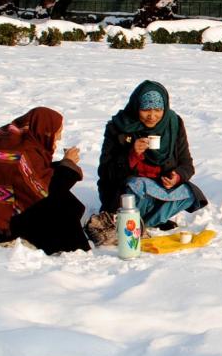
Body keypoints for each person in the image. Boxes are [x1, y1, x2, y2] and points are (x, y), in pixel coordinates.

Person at [0, 107, 89, 255]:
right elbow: (48, 190)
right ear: (44, 131)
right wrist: (68, 164)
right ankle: (74, 251)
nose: (57, 140)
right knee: (60, 207)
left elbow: (34, 175)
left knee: (70, 203)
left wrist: (64, 164)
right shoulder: (24, 150)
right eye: (56, 135)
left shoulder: (11, 139)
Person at [86, 80, 207, 246]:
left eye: (158, 110)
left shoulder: (173, 124)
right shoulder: (119, 126)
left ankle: (148, 221)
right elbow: (106, 172)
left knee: (189, 192)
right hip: (127, 191)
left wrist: (177, 176)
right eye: (146, 110)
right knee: (137, 185)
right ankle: (131, 221)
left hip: (160, 189)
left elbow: (186, 164)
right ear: (136, 107)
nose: (152, 116)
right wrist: (132, 154)